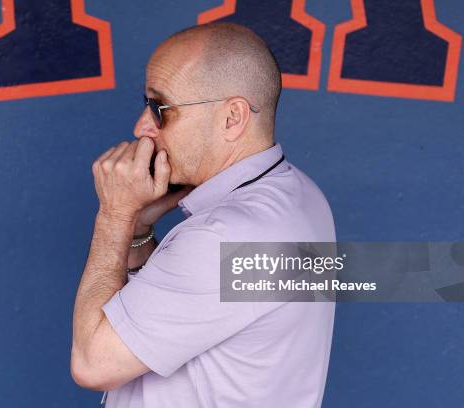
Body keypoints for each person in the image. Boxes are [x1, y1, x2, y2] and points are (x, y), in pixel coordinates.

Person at [71, 22, 336, 407]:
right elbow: (175, 312)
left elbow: (93, 364)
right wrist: (139, 228)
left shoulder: (223, 237)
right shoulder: (301, 193)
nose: (142, 127)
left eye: (160, 108)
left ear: (232, 118)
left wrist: (115, 214)